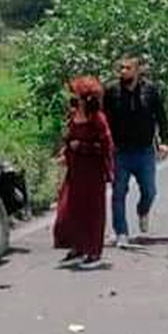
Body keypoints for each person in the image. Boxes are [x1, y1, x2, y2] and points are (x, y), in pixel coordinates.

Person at [104, 56, 168, 248]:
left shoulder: (150, 90)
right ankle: (121, 232)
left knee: (150, 191)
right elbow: (104, 120)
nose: (123, 71)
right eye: (121, 68)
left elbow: (161, 117)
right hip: (120, 151)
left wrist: (164, 142)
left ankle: (143, 211)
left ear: (137, 70)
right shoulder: (111, 91)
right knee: (118, 193)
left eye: (127, 68)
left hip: (145, 151)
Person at [53, 77, 115, 265]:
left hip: (92, 172)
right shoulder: (72, 116)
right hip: (75, 171)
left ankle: (93, 251)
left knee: (92, 211)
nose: (72, 98)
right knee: (70, 210)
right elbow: (68, 139)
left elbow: (105, 146)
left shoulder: (97, 119)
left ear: (86, 98)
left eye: (76, 95)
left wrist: (82, 147)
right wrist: (66, 152)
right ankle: (77, 247)